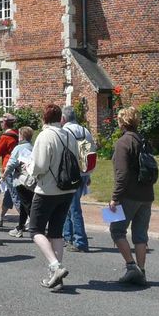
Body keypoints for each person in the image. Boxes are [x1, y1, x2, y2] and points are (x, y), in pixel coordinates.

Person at [29, 103, 80, 290]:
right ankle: (57, 276)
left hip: (47, 190)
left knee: (35, 230)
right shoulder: (69, 135)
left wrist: (28, 167)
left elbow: (39, 166)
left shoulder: (45, 136)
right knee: (56, 231)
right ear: (60, 118)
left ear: (44, 118)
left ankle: (55, 266)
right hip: (67, 189)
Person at [108, 107, 154, 287]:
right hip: (147, 194)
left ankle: (130, 266)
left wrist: (115, 198)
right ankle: (141, 271)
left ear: (122, 122)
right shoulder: (144, 140)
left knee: (117, 230)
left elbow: (122, 174)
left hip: (129, 195)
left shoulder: (123, 143)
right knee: (140, 234)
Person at [61, 105, 96, 252]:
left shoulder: (64, 132)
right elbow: (91, 151)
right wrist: (88, 174)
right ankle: (67, 236)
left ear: (63, 118)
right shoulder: (84, 130)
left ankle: (80, 241)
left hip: (70, 174)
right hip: (83, 172)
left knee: (73, 208)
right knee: (68, 207)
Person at [2, 126, 36, 238]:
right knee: (24, 204)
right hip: (32, 180)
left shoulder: (18, 148)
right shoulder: (33, 148)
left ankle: (37, 228)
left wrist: (5, 174)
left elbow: (11, 163)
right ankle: (20, 227)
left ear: (21, 136)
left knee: (27, 204)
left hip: (21, 180)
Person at [0, 113, 21, 228]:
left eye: (1, 122)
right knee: (9, 194)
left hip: (8, 167)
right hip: (18, 167)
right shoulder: (17, 135)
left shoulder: (5, 137)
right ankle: (1, 216)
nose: (0, 124)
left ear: (5, 123)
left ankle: (28, 219)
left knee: (15, 195)